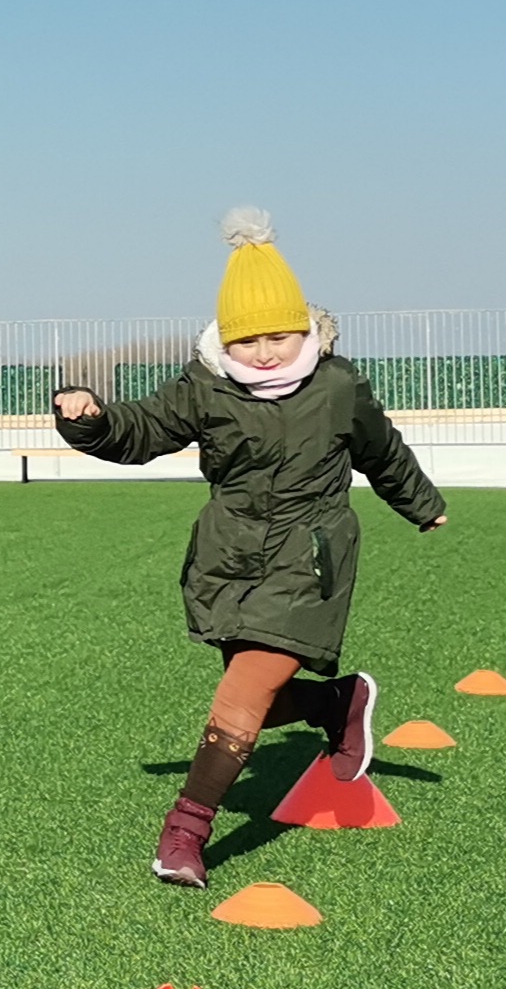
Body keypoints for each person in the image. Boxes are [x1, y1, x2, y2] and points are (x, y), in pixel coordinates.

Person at [51, 211, 447, 887]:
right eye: (248, 339)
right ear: (226, 338)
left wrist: (420, 503)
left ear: (304, 329)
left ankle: (185, 833)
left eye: (278, 336)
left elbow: (382, 451)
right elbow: (141, 430)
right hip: (227, 556)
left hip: (309, 556)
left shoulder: (337, 385)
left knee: (244, 691)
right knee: (257, 694)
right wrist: (91, 419)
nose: (264, 352)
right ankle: (336, 702)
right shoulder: (204, 386)